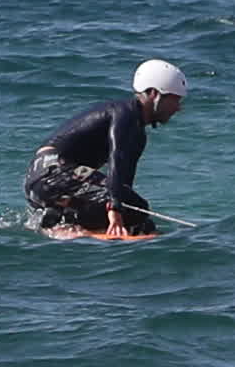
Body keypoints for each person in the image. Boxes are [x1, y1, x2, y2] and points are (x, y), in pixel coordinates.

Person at [26, 59, 187, 238]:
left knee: (139, 215)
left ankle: (64, 218)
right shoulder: (124, 113)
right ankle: (69, 229)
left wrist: (124, 209)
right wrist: (116, 212)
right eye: (174, 100)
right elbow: (117, 158)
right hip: (52, 173)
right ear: (153, 94)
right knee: (134, 208)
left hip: (44, 182)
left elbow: (124, 183)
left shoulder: (138, 133)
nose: (178, 108)